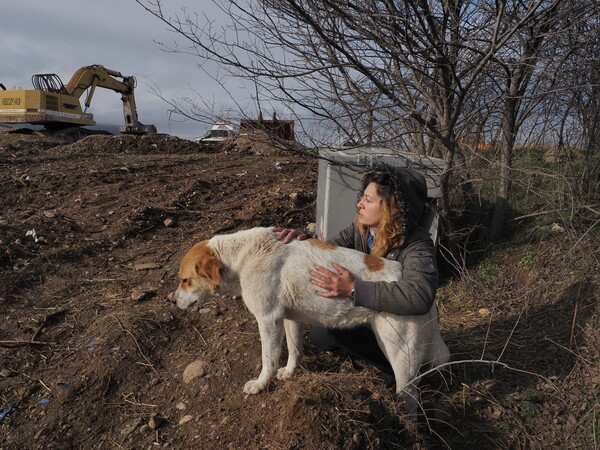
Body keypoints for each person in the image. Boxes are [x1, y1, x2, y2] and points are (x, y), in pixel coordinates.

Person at [274, 164, 439, 381]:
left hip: (403, 320)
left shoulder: (417, 245)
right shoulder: (360, 230)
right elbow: (328, 252)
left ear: (393, 207)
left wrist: (354, 288)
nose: (359, 204)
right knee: (320, 336)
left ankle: (401, 372)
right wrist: (304, 240)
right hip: (369, 311)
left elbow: (419, 296)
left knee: (339, 331)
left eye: (368, 200)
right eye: (362, 197)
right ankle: (373, 349)